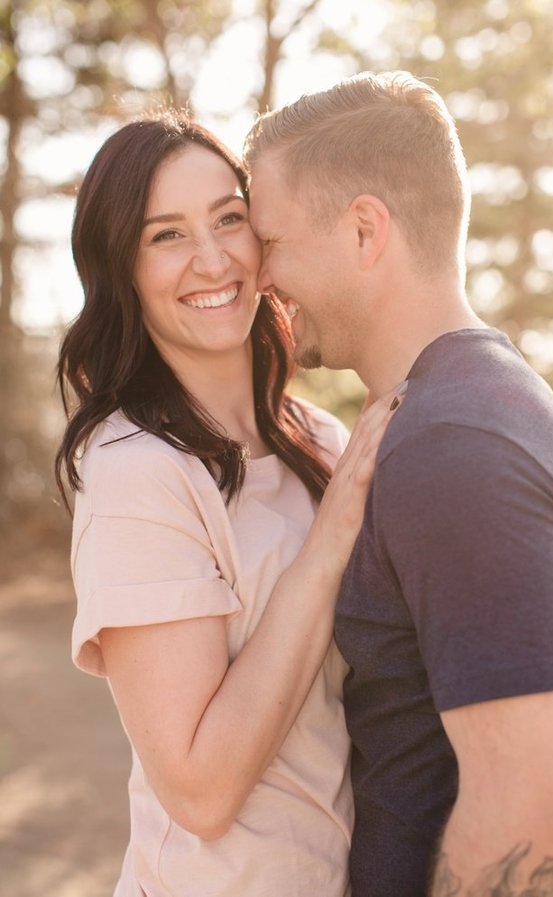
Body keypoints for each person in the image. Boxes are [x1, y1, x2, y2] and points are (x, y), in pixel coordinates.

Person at [244, 72, 553, 897]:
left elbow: (532, 809)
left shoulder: (455, 450)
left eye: (274, 241)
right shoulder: (459, 407)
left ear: (366, 229)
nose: (260, 277)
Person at [55, 111, 396, 897]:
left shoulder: (320, 439)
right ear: (123, 267)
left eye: (229, 219)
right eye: (165, 235)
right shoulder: (136, 470)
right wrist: (333, 535)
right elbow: (200, 791)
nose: (212, 259)